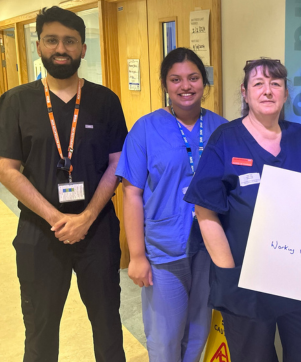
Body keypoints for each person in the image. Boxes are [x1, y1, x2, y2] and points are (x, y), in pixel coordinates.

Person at [0, 6, 127, 362]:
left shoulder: (105, 101)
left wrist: (85, 218)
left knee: (107, 328)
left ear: (83, 48)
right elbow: (6, 167)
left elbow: (118, 163)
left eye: (70, 41)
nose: (61, 48)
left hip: (97, 230)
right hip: (39, 233)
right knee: (39, 333)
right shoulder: (16, 102)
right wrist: (56, 218)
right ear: (38, 45)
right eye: (52, 40)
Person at [183, 59, 301, 362]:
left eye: (275, 84)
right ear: (245, 93)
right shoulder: (225, 139)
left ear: (285, 93)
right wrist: (228, 273)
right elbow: (205, 211)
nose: (267, 91)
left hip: (299, 281)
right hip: (244, 280)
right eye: (258, 84)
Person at [115, 47, 227, 362]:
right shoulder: (145, 129)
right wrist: (136, 255)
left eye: (193, 78)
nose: (185, 86)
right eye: (175, 79)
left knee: (198, 330)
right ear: (165, 84)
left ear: (204, 83)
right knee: (165, 335)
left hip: (208, 247)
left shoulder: (221, 128)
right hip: (164, 249)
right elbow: (132, 194)